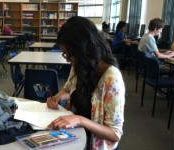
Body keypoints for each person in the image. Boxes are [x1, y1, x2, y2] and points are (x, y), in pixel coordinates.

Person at [46, 16, 125, 149]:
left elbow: (115, 134)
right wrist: (57, 97)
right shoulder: (79, 64)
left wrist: (81, 120)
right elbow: (68, 88)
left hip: (94, 145)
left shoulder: (111, 78)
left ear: (83, 50)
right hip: (75, 136)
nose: (67, 60)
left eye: (68, 54)